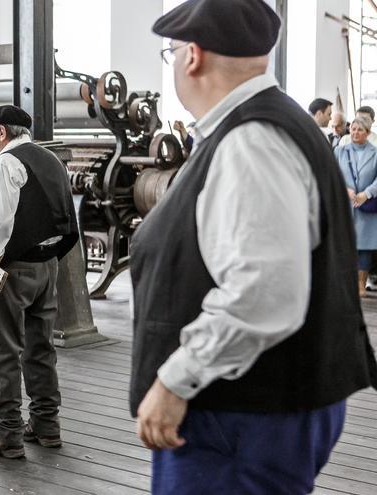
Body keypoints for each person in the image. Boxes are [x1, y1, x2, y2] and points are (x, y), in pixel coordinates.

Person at [133, 1, 377, 493]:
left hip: (239, 415)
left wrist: (176, 380)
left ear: (193, 56)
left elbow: (264, 290)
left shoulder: (251, 140)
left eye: (172, 53)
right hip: (263, 409)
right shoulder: (273, 125)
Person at [0, 105, 79, 459]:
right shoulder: (50, 158)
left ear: (0, 132)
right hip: (48, 266)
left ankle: (6, 432)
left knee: (3, 349)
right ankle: (46, 426)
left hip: (12, 269)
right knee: (40, 346)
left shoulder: (4, 163)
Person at [336, 117, 377, 297]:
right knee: (344, 244)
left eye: (360, 130)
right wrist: (344, 188)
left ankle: (361, 285)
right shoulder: (339, 151)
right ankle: (346, 283)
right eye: (353, 129)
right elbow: (331, 172)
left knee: (364, 246)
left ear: (368, 133)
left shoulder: (375, 153)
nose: (355, 133)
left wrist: (366, 193)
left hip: (366, 206)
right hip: (345, 204)